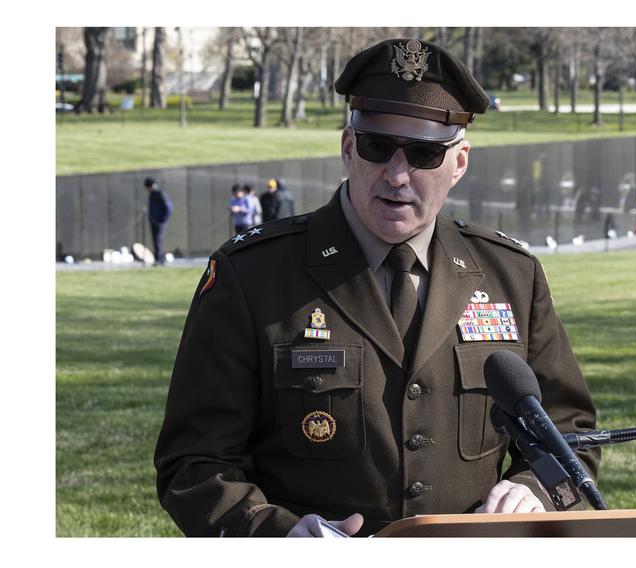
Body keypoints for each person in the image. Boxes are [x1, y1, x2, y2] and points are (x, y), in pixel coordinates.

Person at [154, 38, 600, 538]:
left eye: (425, 153)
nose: (397, 174)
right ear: (348, 147)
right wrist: (276, 535)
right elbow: (194, 462)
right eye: (377, 146)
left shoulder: (511, 275)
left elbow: (571, 434)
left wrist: (535, 489)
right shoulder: (252, 275)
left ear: (460, 163)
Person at [145, 177, 172, 266]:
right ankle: (159, 259)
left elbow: (168, 208)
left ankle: (159, 260)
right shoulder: (152, 194)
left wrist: (162, 220)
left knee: (158, 241)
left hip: (160, 223)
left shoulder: (160, 193)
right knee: (155, 241)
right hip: (153, 222)